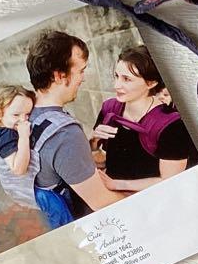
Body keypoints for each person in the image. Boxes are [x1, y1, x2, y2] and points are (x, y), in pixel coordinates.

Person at [25, 30, 127, 215]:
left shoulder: (27, 112)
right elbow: (102, 202)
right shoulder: (65, 135)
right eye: (80, 71)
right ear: (59, 76)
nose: (83, 78)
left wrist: (90, 147)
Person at [92, 46, 198, 194]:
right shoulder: (110, 108)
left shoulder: (171, 125)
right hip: (113, 195)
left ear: (151, 83)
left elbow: (171, 181)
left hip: (153, 199)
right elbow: (101, 160)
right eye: (116, 76)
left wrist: (117, 184)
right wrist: (94, 143)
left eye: (126, 79)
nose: (116, 85)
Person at [0, 86, 75, 229]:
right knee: (57, 208)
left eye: (27, 114)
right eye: (16, 115)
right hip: (24, 187)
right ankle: (68, 232)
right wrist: (23, 136)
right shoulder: (3, 135)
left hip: (30, 183)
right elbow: (18, 169)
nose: (23, 120)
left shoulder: (10, 126)